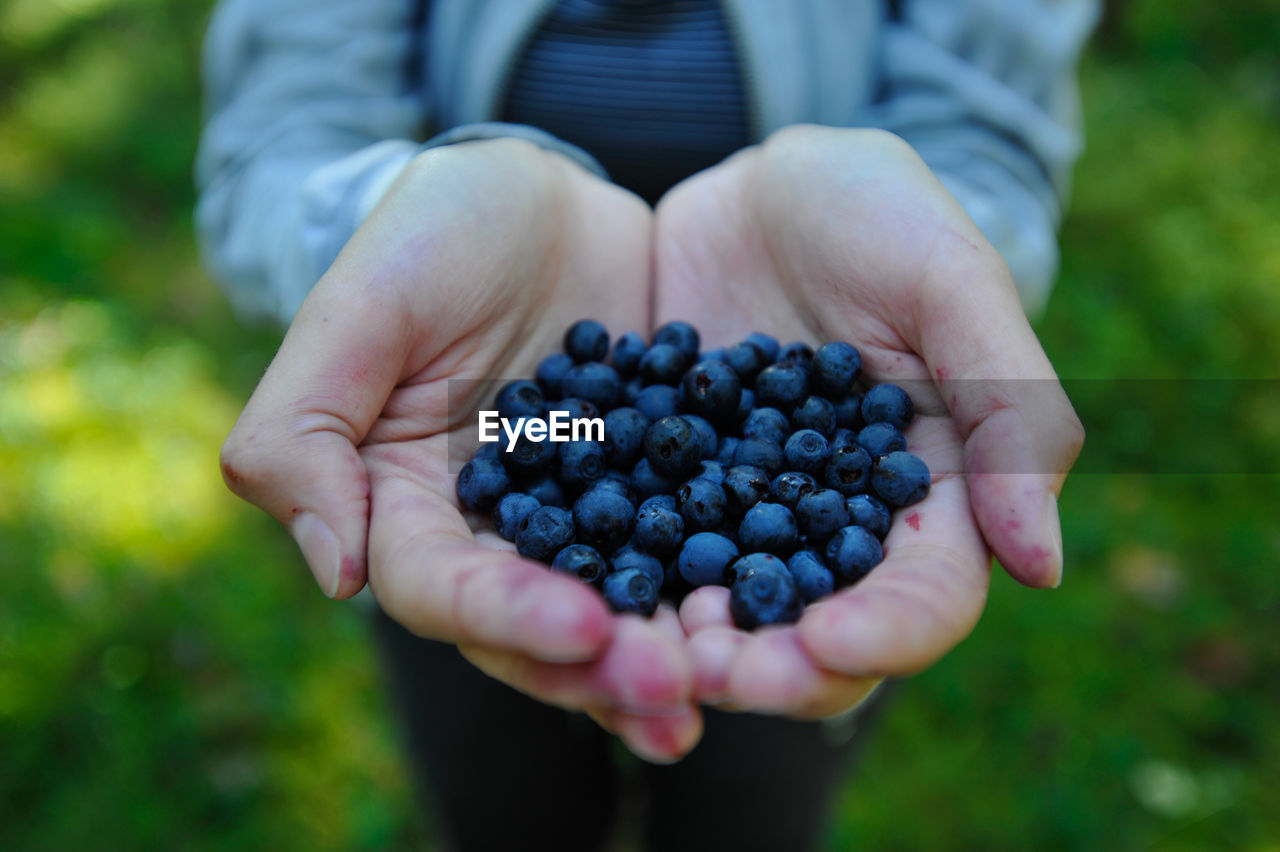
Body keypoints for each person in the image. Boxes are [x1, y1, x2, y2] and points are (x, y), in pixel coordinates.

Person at [197, 1, 1094, 849]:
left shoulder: (785, 451)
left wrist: (941, 261)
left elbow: (988, 131)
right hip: (476, 366)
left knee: (756, 796)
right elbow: (278, 134)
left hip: (813, 301)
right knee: (502, 795)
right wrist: (376, 237)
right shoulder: (541, 441)